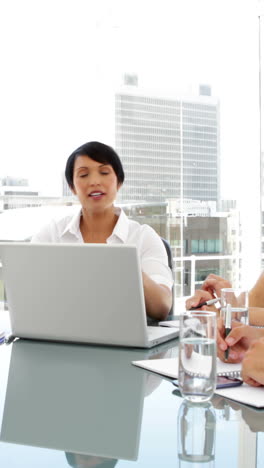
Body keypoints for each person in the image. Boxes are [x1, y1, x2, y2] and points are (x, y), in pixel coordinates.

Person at [31, 141, 173, 321]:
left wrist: (124, 265)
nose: (94, 181)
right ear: (72, 187)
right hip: (61, 335)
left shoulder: (143, 237)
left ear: (119, 181)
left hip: (126, 342)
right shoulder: (52, 234)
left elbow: (162, 306)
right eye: (83, 175)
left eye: (104, 172)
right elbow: (29, 294)